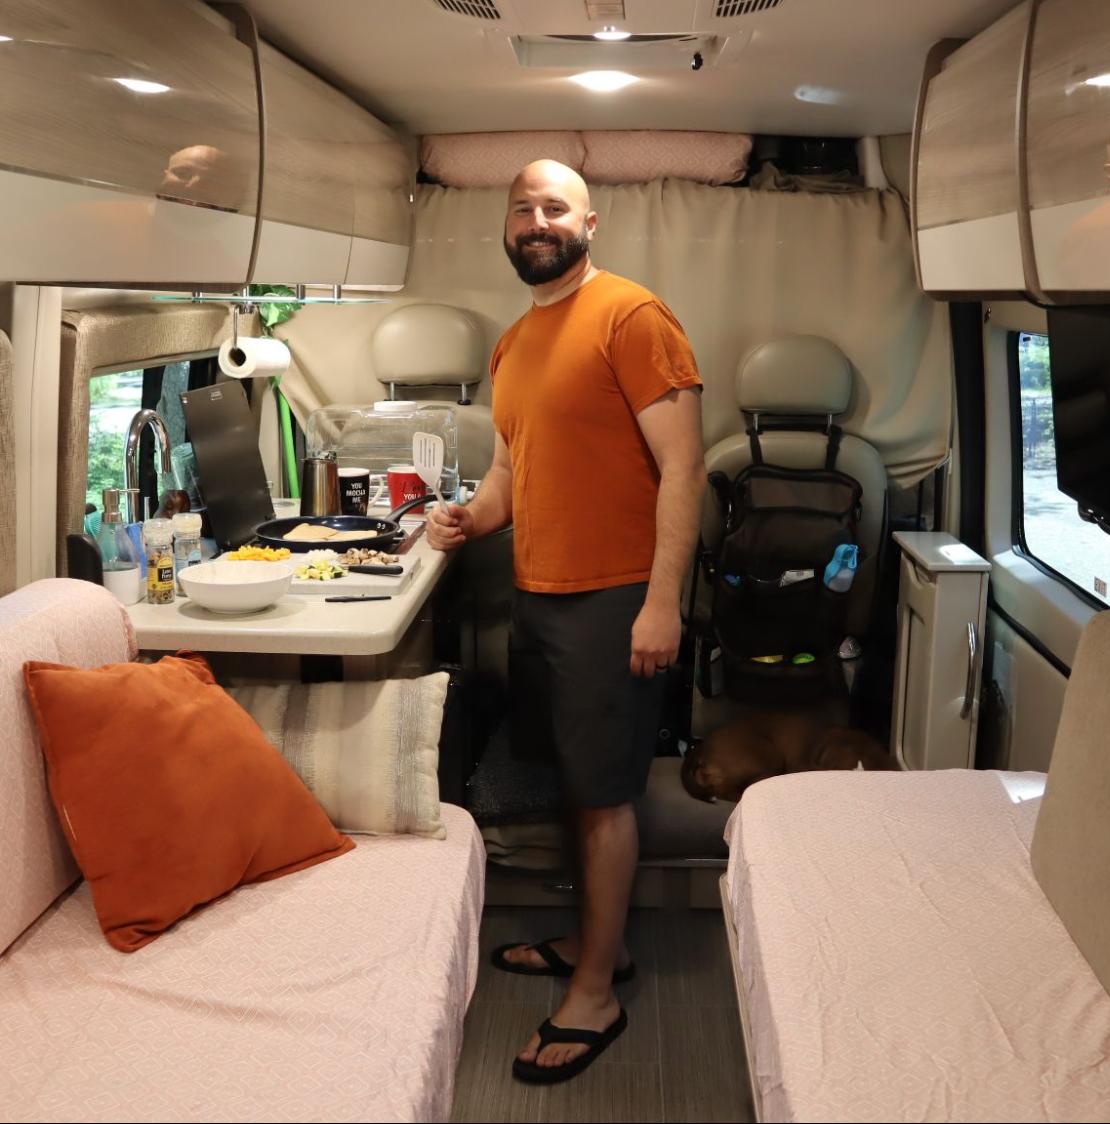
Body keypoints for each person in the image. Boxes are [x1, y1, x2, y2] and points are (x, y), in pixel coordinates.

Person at [427, 159, 704, 1084]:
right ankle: (603, 945)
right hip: (539, 595)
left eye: (554, 208)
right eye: (521, 209)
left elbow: (683, 471)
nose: (536, 222)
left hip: (614, 596)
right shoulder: (514, 344)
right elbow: (512, 476)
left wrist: (662, 602)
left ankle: (595, 991)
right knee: (573, 787)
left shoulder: (631, 317)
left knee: (604, 794)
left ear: (590, 223)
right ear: (505, 228)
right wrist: (469, 518)